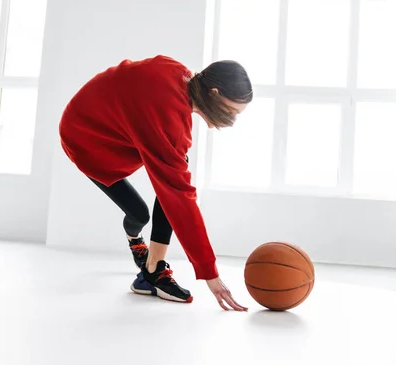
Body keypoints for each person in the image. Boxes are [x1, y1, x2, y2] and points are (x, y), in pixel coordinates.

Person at [59, 55, 252, 311]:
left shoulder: (181, 75)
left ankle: (151, 270)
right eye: (231, 112)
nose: (231, 121)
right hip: (86, 137)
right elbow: (180, 198)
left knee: (173, 175)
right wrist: (210, 274)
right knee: (141, 211)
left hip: (114, 126)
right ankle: (145, 258)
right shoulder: (168, 115)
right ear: (214, 93)